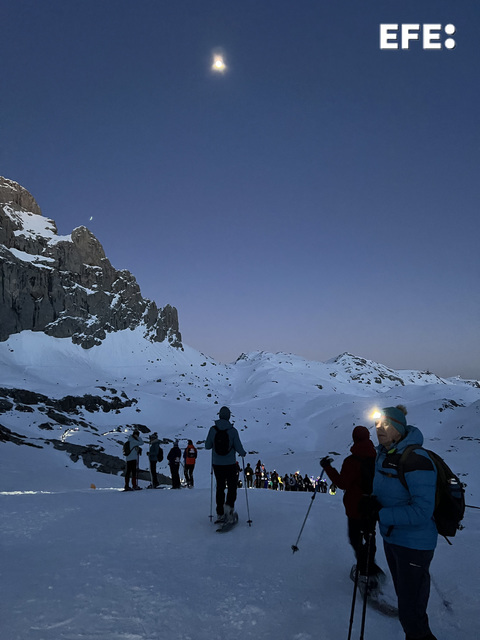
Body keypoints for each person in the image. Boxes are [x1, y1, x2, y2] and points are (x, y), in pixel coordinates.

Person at [368, 405, 438, 640]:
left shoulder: (416, 459)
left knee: (412, 615)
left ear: (399, 430)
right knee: (408, 607)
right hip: (393, 539)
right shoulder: (385, 454)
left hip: (414, 546)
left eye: (386, 425)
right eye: (377, 424)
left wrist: (380, 514)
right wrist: (370, 503)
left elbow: (422, 511)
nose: (379, 429)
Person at [320, 426, 383, 587]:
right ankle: (370, 567)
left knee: (355, 538)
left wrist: (327, 467)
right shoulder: (378, 458)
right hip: (373, 505)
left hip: (356, 507)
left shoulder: (352, 461)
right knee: (370, 536)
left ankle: (365, 570)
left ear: (354, 438)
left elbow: (342, 483)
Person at [205, 406, 246, 525]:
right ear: (228, 416)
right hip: (230, 464)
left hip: (217, 464)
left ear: (219, 415)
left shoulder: (213, 430)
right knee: (232, 487)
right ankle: (229, 509)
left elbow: (207, 446)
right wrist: (243, 453)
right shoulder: (232, 431)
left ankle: (220, 513)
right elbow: (238, 447)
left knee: (220, 487)